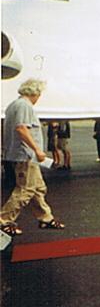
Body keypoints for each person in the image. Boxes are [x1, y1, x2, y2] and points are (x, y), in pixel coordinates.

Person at [0, 79, 66, 237]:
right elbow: (21, 129)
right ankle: (4, 220)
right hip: (26, 155)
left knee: (37, 188)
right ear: (35, 93)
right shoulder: (24, 106)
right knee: (26, 189)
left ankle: (46, 218)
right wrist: (37, 150)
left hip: (23, 154)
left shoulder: (13, 105)